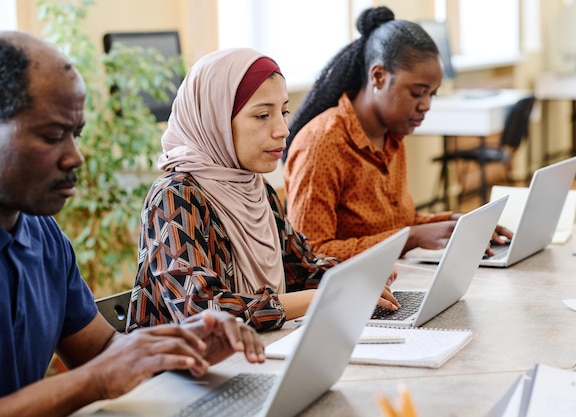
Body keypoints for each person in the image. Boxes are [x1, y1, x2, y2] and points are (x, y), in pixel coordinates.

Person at [0, 31, 266, 417]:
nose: (75, 157)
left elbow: (100, 348)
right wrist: (96, 380)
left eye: (76, 135)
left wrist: (174, 345)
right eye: (54, 136)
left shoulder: (43, 236)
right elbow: (98, 370)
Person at [127, 47, 401, 335]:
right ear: (216, 119)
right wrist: (326, 296)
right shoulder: (175, 196)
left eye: (284, 112)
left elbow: (301, 267)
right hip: (182, 372)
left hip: (258, 354)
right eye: (262, 116)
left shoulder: (258, 188)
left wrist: (357, 275)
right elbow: (199, 310)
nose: (282, 129)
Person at [282, 6, 512, 261]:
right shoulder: (323, 144)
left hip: (391, 279)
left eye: (431, 94)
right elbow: (309, 256)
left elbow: (394, 222)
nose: (426, 105)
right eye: (417, 92)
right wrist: (411, 237)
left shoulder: (391, 136)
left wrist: (456, 222)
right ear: (378, 76)